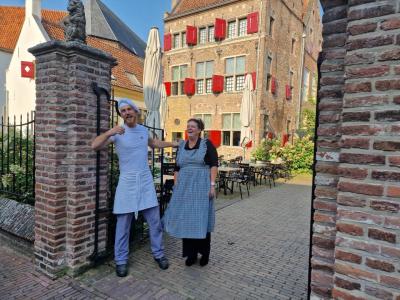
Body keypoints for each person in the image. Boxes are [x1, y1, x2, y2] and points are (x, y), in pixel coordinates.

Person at [91, 99, 178, 277]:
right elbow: (95, 146)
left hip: (145, 181)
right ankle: (121, 261)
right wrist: (109, 132)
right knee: (123, 225)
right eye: (123, 111)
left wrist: (173, 144)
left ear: (136, 112)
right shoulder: (117, 132)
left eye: (129, 109)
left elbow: (154, 144)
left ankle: (159, 254)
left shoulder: (143, 130)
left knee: (155, 223)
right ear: (121, 115)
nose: (126, 113)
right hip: (127, 182)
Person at [163, 118, 218, 266]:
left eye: (193, 126)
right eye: (188, 126)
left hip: (202, 187)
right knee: (186, 221)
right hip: (184, 189)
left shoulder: (207, 145)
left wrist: (212, 185)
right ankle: (191, 254)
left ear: (200, 130)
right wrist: (176, 186)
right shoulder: (182, 146)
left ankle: (204, 254)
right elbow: (177, 168)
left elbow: (214, 165)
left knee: (201, 220)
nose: (190, 128)